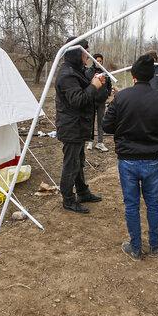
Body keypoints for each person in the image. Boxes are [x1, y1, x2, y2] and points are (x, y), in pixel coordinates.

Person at [103, 54, 158, 260]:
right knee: (153, 202)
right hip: (152, 159)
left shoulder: (121, 97)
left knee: (132, 204)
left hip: (127, 160)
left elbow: (107, 126)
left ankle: (135, 247)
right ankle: (155, 244)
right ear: (153, 76)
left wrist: (124, 126)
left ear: (133, 76)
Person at [55, 36, 105, 214]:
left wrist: (97, 84)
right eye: (85, 51)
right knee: (71, 163)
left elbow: (87, 92)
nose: (88, 55)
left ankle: (83, 192)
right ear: (77, 52)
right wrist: (93, 86)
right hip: (71, 127)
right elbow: (77, 100)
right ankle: (68, 199)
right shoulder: (67, 74)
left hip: (78, 126)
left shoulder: (76, 70)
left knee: (79, 161)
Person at [85, 53, 112, 152]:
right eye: (97, 61)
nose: (99, 63)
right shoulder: (88, 72)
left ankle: (100, 142)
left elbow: (109, 84)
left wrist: (107, 93)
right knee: (90, 121)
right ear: (94, 61)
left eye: (101, 61)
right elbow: (86, 84)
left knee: (101, 122)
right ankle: (90, 141)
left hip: (101, 102)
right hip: (91, 101)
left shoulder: (105, 72)